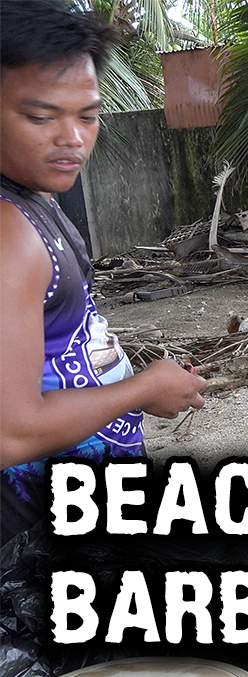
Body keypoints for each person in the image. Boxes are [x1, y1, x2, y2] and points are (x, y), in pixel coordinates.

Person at [0, 0, 206, 546]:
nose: (72, 138)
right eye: (41, 116)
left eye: (87, 116)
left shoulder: (34, 199)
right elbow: (11, 431)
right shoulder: (6, 231)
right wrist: (141, 390)